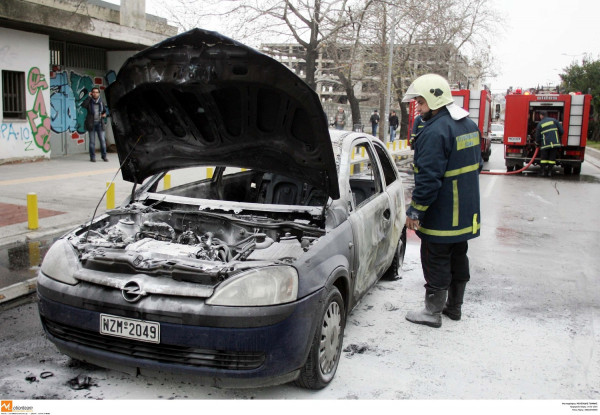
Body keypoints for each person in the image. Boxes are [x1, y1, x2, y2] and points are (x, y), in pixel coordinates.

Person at [401, 73, 482, 328]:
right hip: (466, 211)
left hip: (444, 212)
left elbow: (428, 179)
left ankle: (432, 313)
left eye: (421, 103)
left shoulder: (435, 132)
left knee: (435, 258)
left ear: (434, 101)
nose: (420, 109)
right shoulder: (468, 124)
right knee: (459, 256)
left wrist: (415, 211)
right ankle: (454, 307)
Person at [81, 87, 108, 162]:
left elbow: (104, 111)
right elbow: (83, 105)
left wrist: (104, 114)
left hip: (100, 124)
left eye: (96, 92)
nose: (95, 93)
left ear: (99, 93)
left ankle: (104, 156)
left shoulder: (101, 102)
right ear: (91, 93)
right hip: (91, 124)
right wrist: (88, 97)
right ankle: (92, 157)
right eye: (94, 92)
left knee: (102, 141)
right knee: (92, 142)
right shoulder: (89, 101)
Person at [535, 110, 563, 177]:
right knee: (552, 158)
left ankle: (543, 172)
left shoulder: (540, 123)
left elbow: (537, 136)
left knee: (543, 159)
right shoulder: (554, 121)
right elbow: (561, 131)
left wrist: (537, 143)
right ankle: (550, 172)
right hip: (555, 143)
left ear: (541, 115)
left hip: (545, 144)